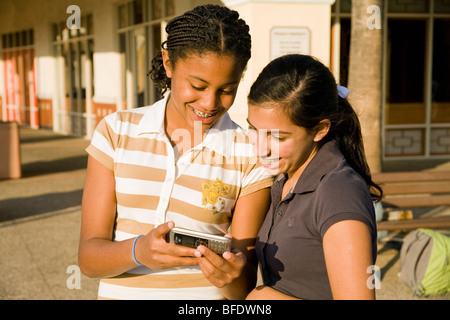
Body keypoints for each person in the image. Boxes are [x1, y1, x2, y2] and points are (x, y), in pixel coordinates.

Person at [78, 4, 273, 300]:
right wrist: (139, 251)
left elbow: (241, 288)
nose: (209, 103)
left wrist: (230, 275)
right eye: (198, 85)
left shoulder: (250, 154)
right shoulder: (116, 131)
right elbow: (89, 260)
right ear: (168, 64)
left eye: (226, 89)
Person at [245, 54, 383, 300]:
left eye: (278, 137)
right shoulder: (285, 177)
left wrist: (263, 299)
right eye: (254, 129)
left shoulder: (339, 192)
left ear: (320, 130)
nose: (260, 149)